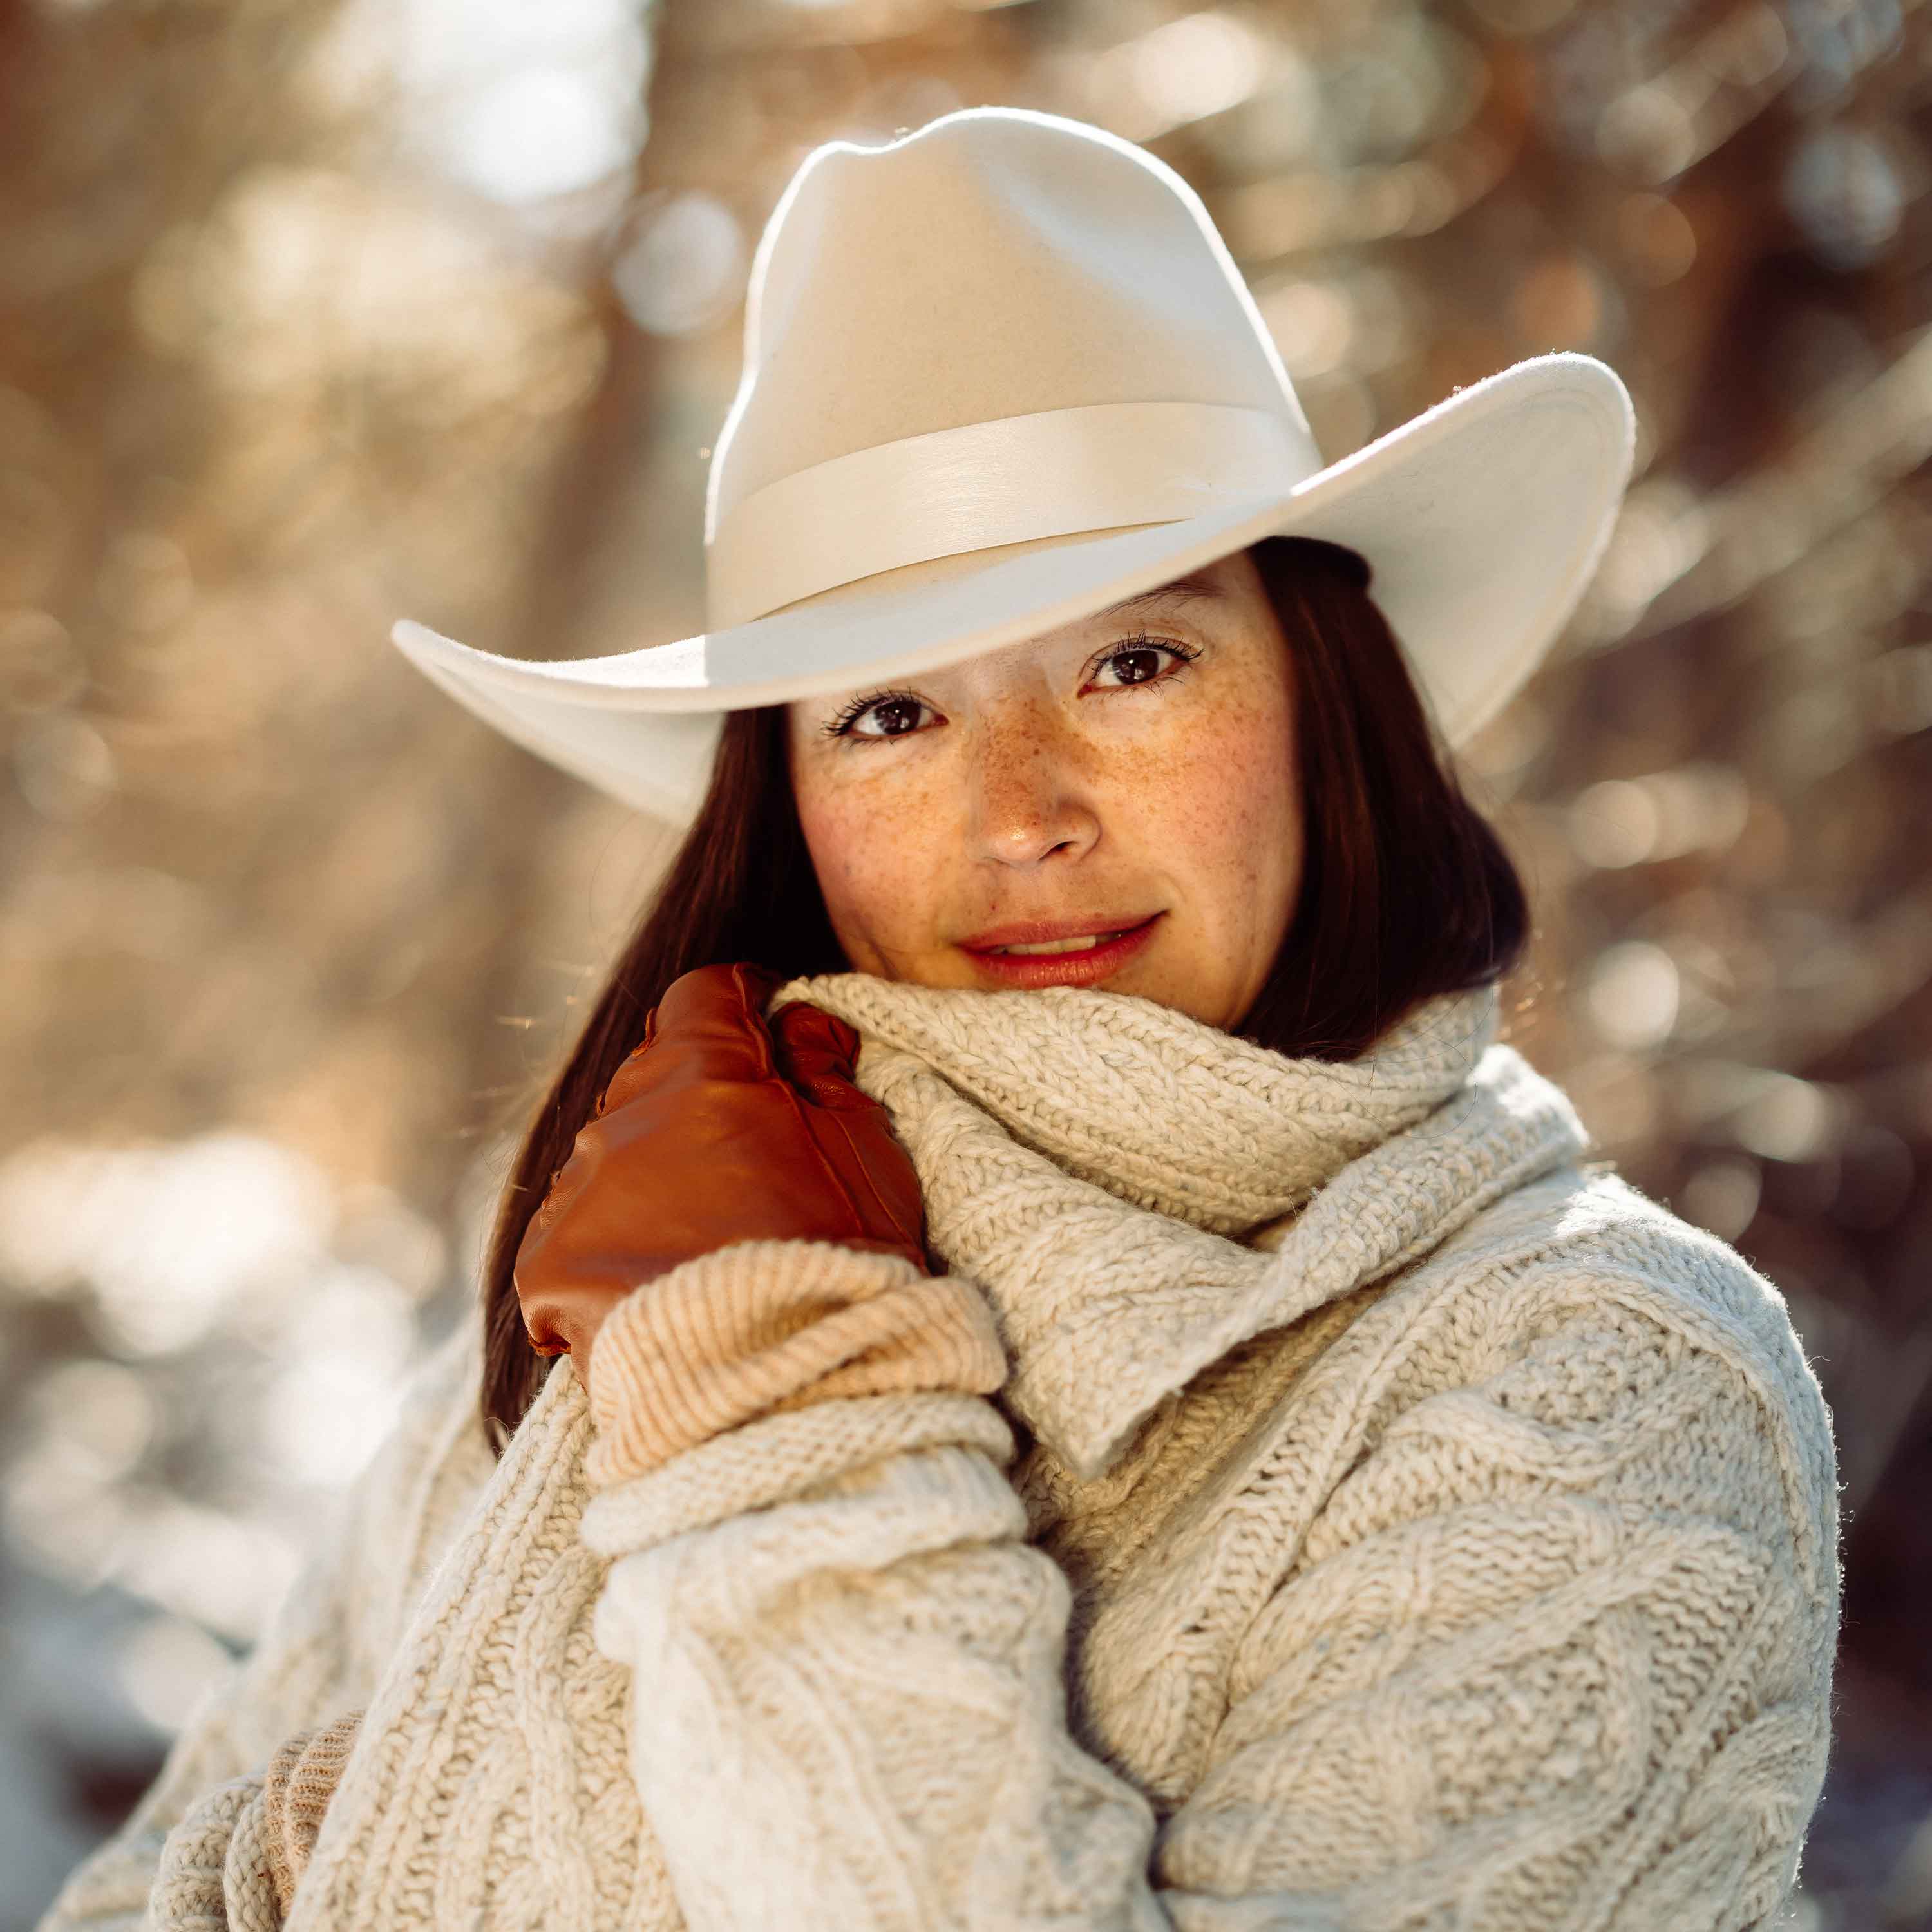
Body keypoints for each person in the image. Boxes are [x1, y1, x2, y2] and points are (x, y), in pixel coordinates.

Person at [39, 106, 1839, 1932]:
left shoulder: (1604, 1378)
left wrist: (779, 1425)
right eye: (890, 713)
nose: (1019, 812)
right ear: (787, 798)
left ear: (1322, 694)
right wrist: (323, 1840)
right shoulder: (636, 1272)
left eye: (1134, 662)